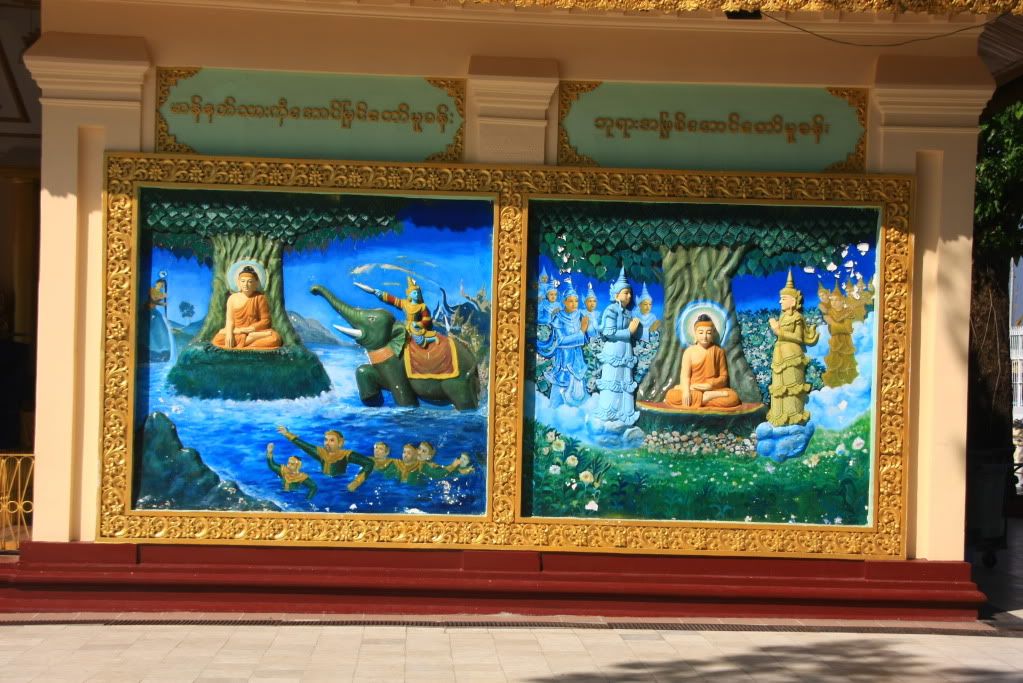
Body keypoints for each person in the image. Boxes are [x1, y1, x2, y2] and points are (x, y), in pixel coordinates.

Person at [766, 271, 820, 427]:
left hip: (792, 355)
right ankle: (779, 418)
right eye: (780, 299)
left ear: (793, 301)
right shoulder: (783, 316)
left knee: (792, 387)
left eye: (783, 299)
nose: (780, 302)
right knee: (779, 388)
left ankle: (794, 419)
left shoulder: (797, 317)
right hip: (779, 355)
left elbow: (798, 338)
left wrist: (778, 331)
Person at [591, 268, 640, 428]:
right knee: (612, 381)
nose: (629, 296)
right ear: (617, 294)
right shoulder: (611, 310)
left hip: (625, 351)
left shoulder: (627, 312)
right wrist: (629, 332)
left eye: (630, 293)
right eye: (626, 293)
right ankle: (608, 416)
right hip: (613, 352)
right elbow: (609, 332)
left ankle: (624, 415)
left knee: (624, 382)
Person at [665, 314, 741, 409]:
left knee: (733, 397)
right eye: (701, 333)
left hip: (712, 389)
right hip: (693, 388)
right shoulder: (689, 352)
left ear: (712, 334)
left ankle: (700, 399)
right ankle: (706, 398)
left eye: (708, 333)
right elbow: (685, 376)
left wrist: (710, 385)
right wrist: (686, 392)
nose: (704, 336)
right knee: (671, 396)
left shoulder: (718, 351)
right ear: (695, 334)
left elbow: (724, 377)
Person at [536, 277, 589, 407]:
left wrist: (587, 329)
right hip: (564, 359)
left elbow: (587, 338)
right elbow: (561, 341)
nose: (574, 304)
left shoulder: (579, 316)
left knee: (579, 392)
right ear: (564, 302)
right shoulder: (558, 318)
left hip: (577, 359)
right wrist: (581, 332)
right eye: (570, 301)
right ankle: (555, 413)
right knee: (560, 391)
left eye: (576, 301)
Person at [276, 425, 373, 492]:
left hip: (339, 482)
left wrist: (356, 482)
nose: (327, 443)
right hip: (323, 482)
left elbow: (369, 463)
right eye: (326, 440)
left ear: (340, 443)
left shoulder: (346, 455)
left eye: (332, 440)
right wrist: (287, 434)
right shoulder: (321, 453)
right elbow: (304, 445)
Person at [212, 265, 282, 350]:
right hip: (237, 331)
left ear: (255, 283)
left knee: (275, 339)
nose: (245, 284)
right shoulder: (232, 298)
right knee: (217, 339)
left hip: (253, 330)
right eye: (243, 281)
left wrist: (249, 329)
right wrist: (229, 334)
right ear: (238, 282)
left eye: (250, 282)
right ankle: (251, 339)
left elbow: (265, 321)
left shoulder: (259, 298)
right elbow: (230, 320)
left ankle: (246, 340)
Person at [355, 277, 436, 347]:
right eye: (414, 293)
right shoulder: (405, 303)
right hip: (405, 325)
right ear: (409, 294)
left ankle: (431, 339)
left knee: (419, 341)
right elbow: (394, 300)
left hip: (415, 328)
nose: (417, 295)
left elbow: (427, 319)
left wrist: (418, 324)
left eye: (418, 293)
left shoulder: (422, 306)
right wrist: (379, 293)